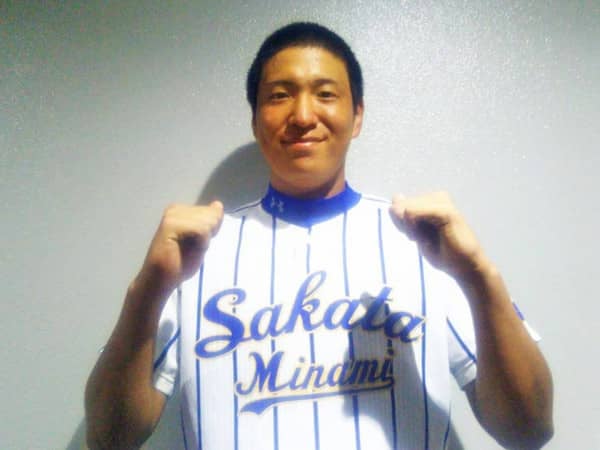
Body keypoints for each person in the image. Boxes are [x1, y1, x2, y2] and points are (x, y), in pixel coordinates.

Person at [85, 22, 553, 450]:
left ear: (357, 116)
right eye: (279, 95)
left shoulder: (427, 242)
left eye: (326, 94)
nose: (303, 114)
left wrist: (478, 275)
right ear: (255, 120)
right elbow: (109, 439)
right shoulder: (193, 254)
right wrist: (147, 290)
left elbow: (529, 428)